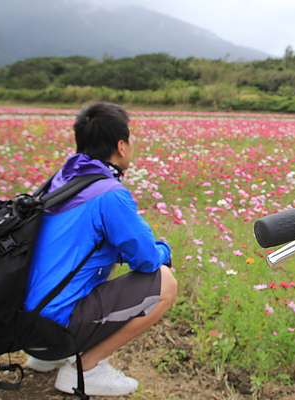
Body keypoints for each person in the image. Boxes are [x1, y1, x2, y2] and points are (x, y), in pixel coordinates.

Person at [22, 102, 178, 396]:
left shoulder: (60, 180)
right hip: (53, 327)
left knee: (97, 258)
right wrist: (164, 251)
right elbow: (145, 259)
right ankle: (86, 370)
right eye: (131, 139)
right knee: (165, 282)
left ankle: (45, 358)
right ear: (121, 146)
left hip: (22, 325)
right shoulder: (108, 194)